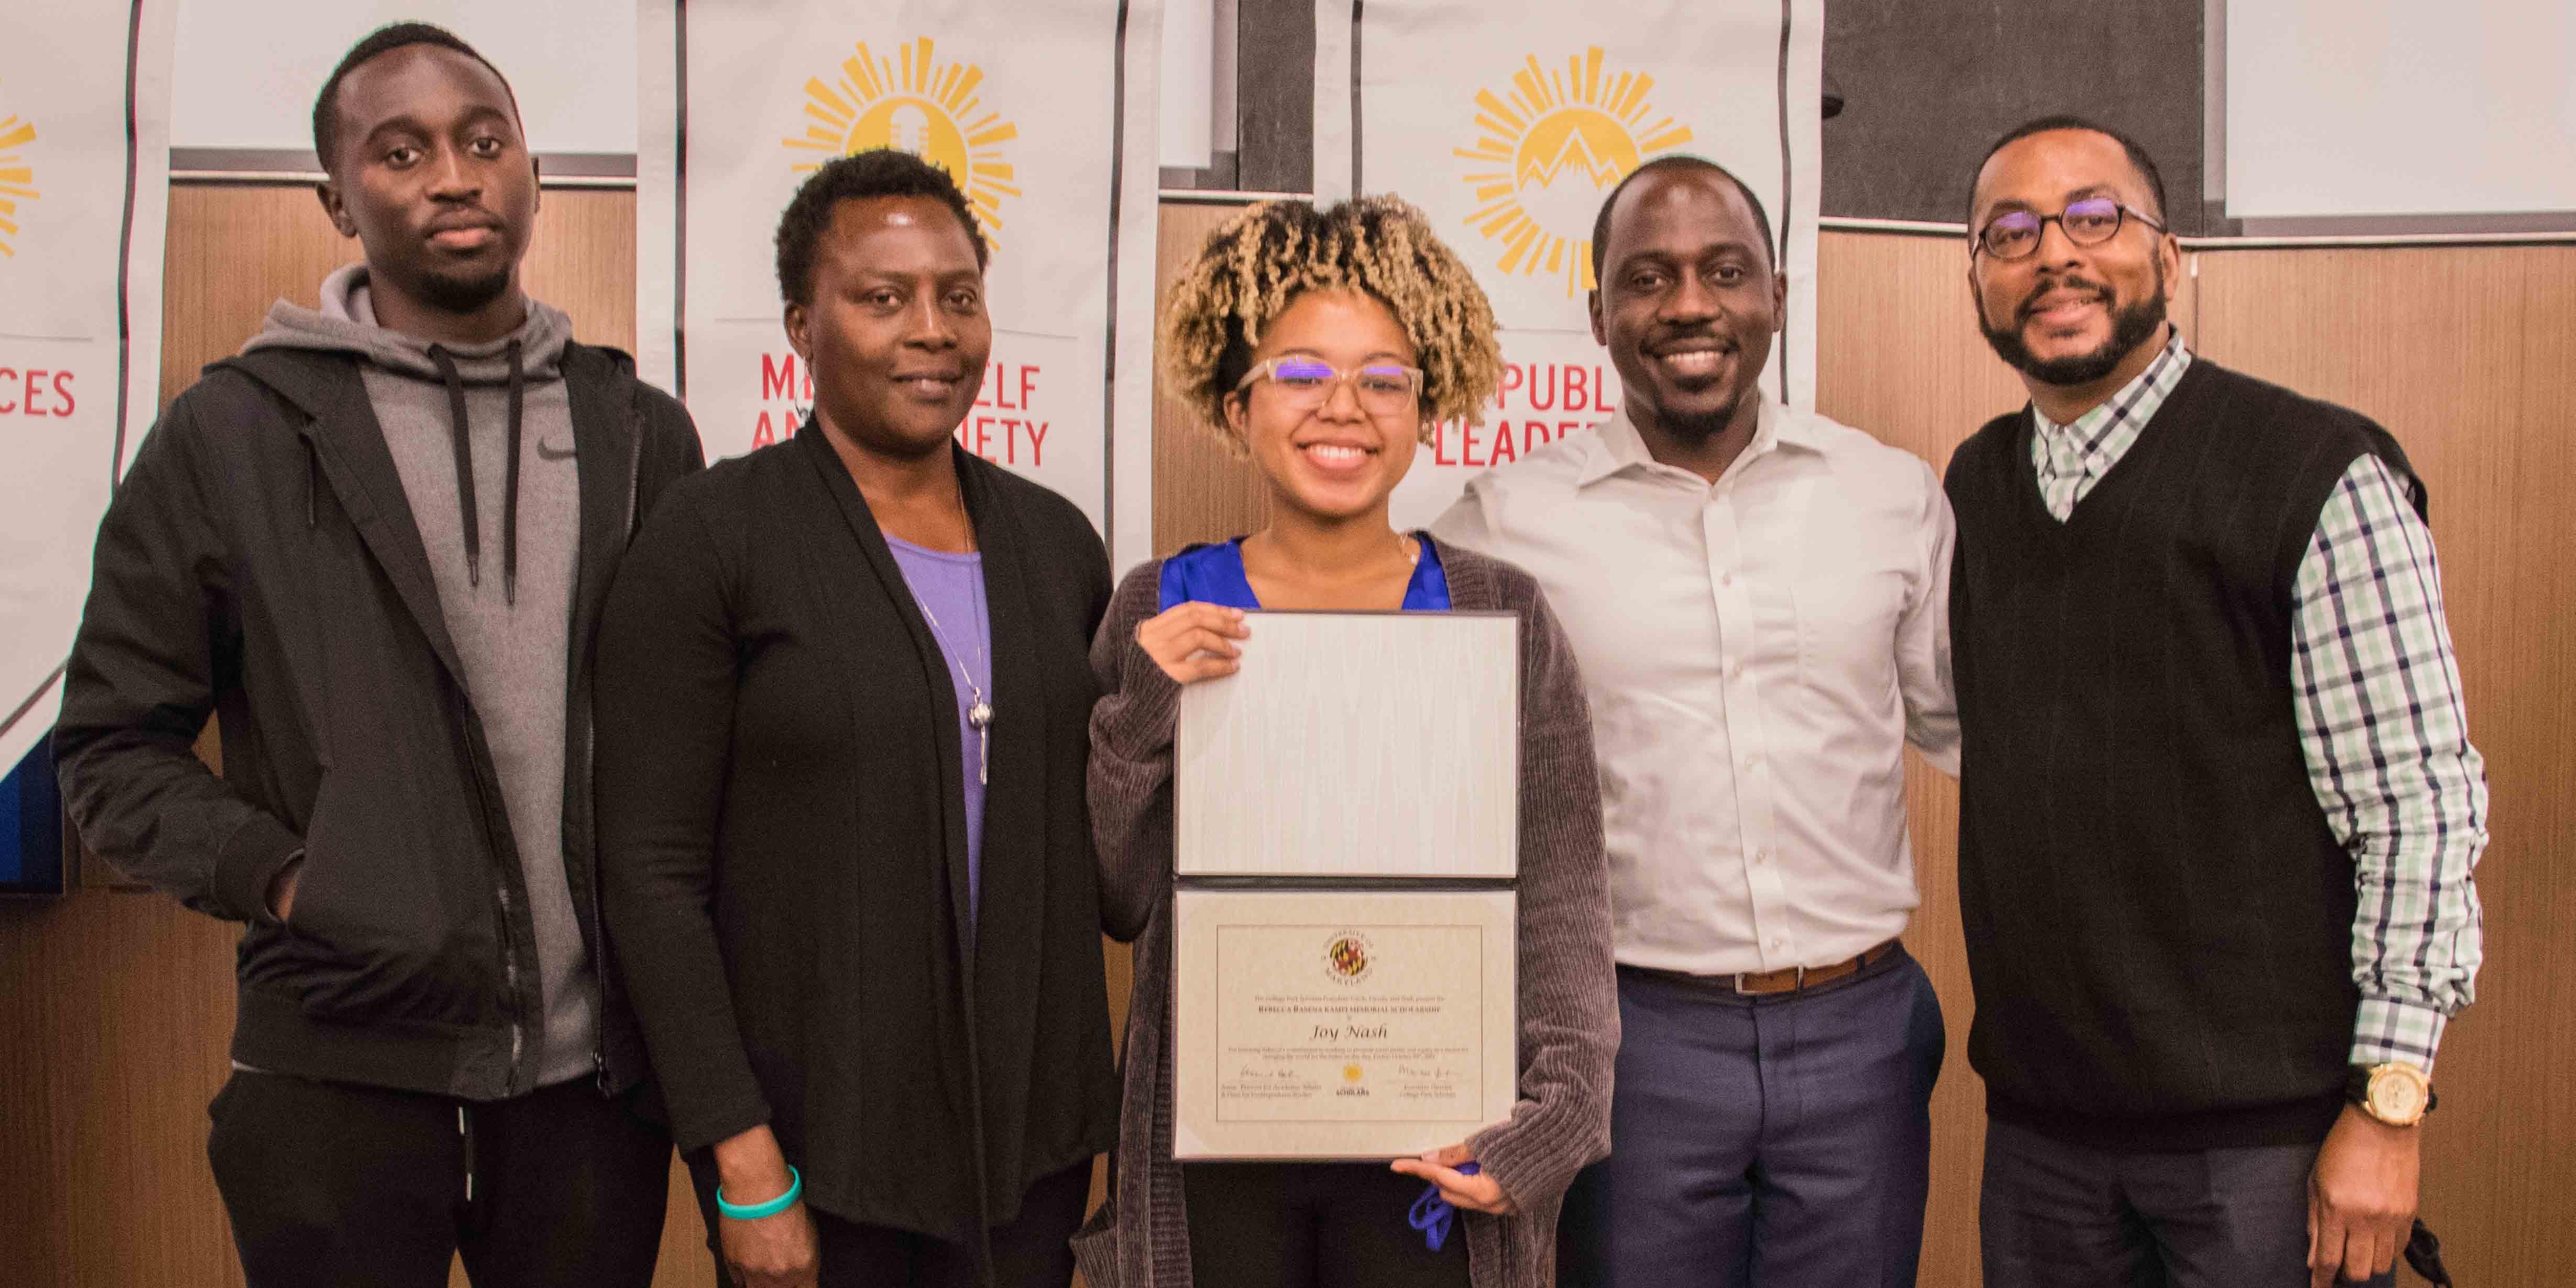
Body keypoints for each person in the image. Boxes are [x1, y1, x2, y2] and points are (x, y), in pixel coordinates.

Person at [52, 23, 702, 1287]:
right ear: (337, 200)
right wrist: (297, 877)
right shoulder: (234, 432)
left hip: (592, 1093)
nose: (451, 175)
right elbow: (111, 748)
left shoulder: (637, 432)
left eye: (482, 141)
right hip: (334, 1077)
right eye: (398, 153)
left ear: (530, 172)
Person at [1950, 116, 2486, 1288]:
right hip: (2041, 1143)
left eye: (2094, 218)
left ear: (2170, 257)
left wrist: (2387, 1110)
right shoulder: (1976, 487)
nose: (2054, 255)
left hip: (2266, 1151)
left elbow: (2416, 808)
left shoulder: (2313, 475)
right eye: (2011, 231)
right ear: (1977, 277)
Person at [593, 148, 1118, 1288]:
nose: (931, 330)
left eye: (958, 297)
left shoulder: (1056, 545)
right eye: (882, 299)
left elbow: (1094, 851)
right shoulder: (713, 537)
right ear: (802, 323)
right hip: (813, 1152)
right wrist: (741, 1158)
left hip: (1027, 1151)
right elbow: (647, 871)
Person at [1432, 155, 1958, 1287]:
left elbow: (1971, 726)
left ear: (1775, 292)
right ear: (1595, 315)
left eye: (1724, 272)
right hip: (1630, 1041)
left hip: (1861, 1032)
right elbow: (1408, 742)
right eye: (1647, 278)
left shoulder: (1889, 495)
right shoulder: (1501, 523)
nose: (1686, 306)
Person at [1076, 195, 1616, 1288]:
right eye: (1299, 373)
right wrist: (1141, 709)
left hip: (1435, 1143)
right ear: (1235, 407)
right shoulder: (1162, 604)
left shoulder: (1493, 611)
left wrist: (1553, 1123)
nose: (1344, 409)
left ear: (1427, 407)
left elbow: (1560, 895)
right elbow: (1117, 897)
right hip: (1216, 1143)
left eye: (1383, 379)